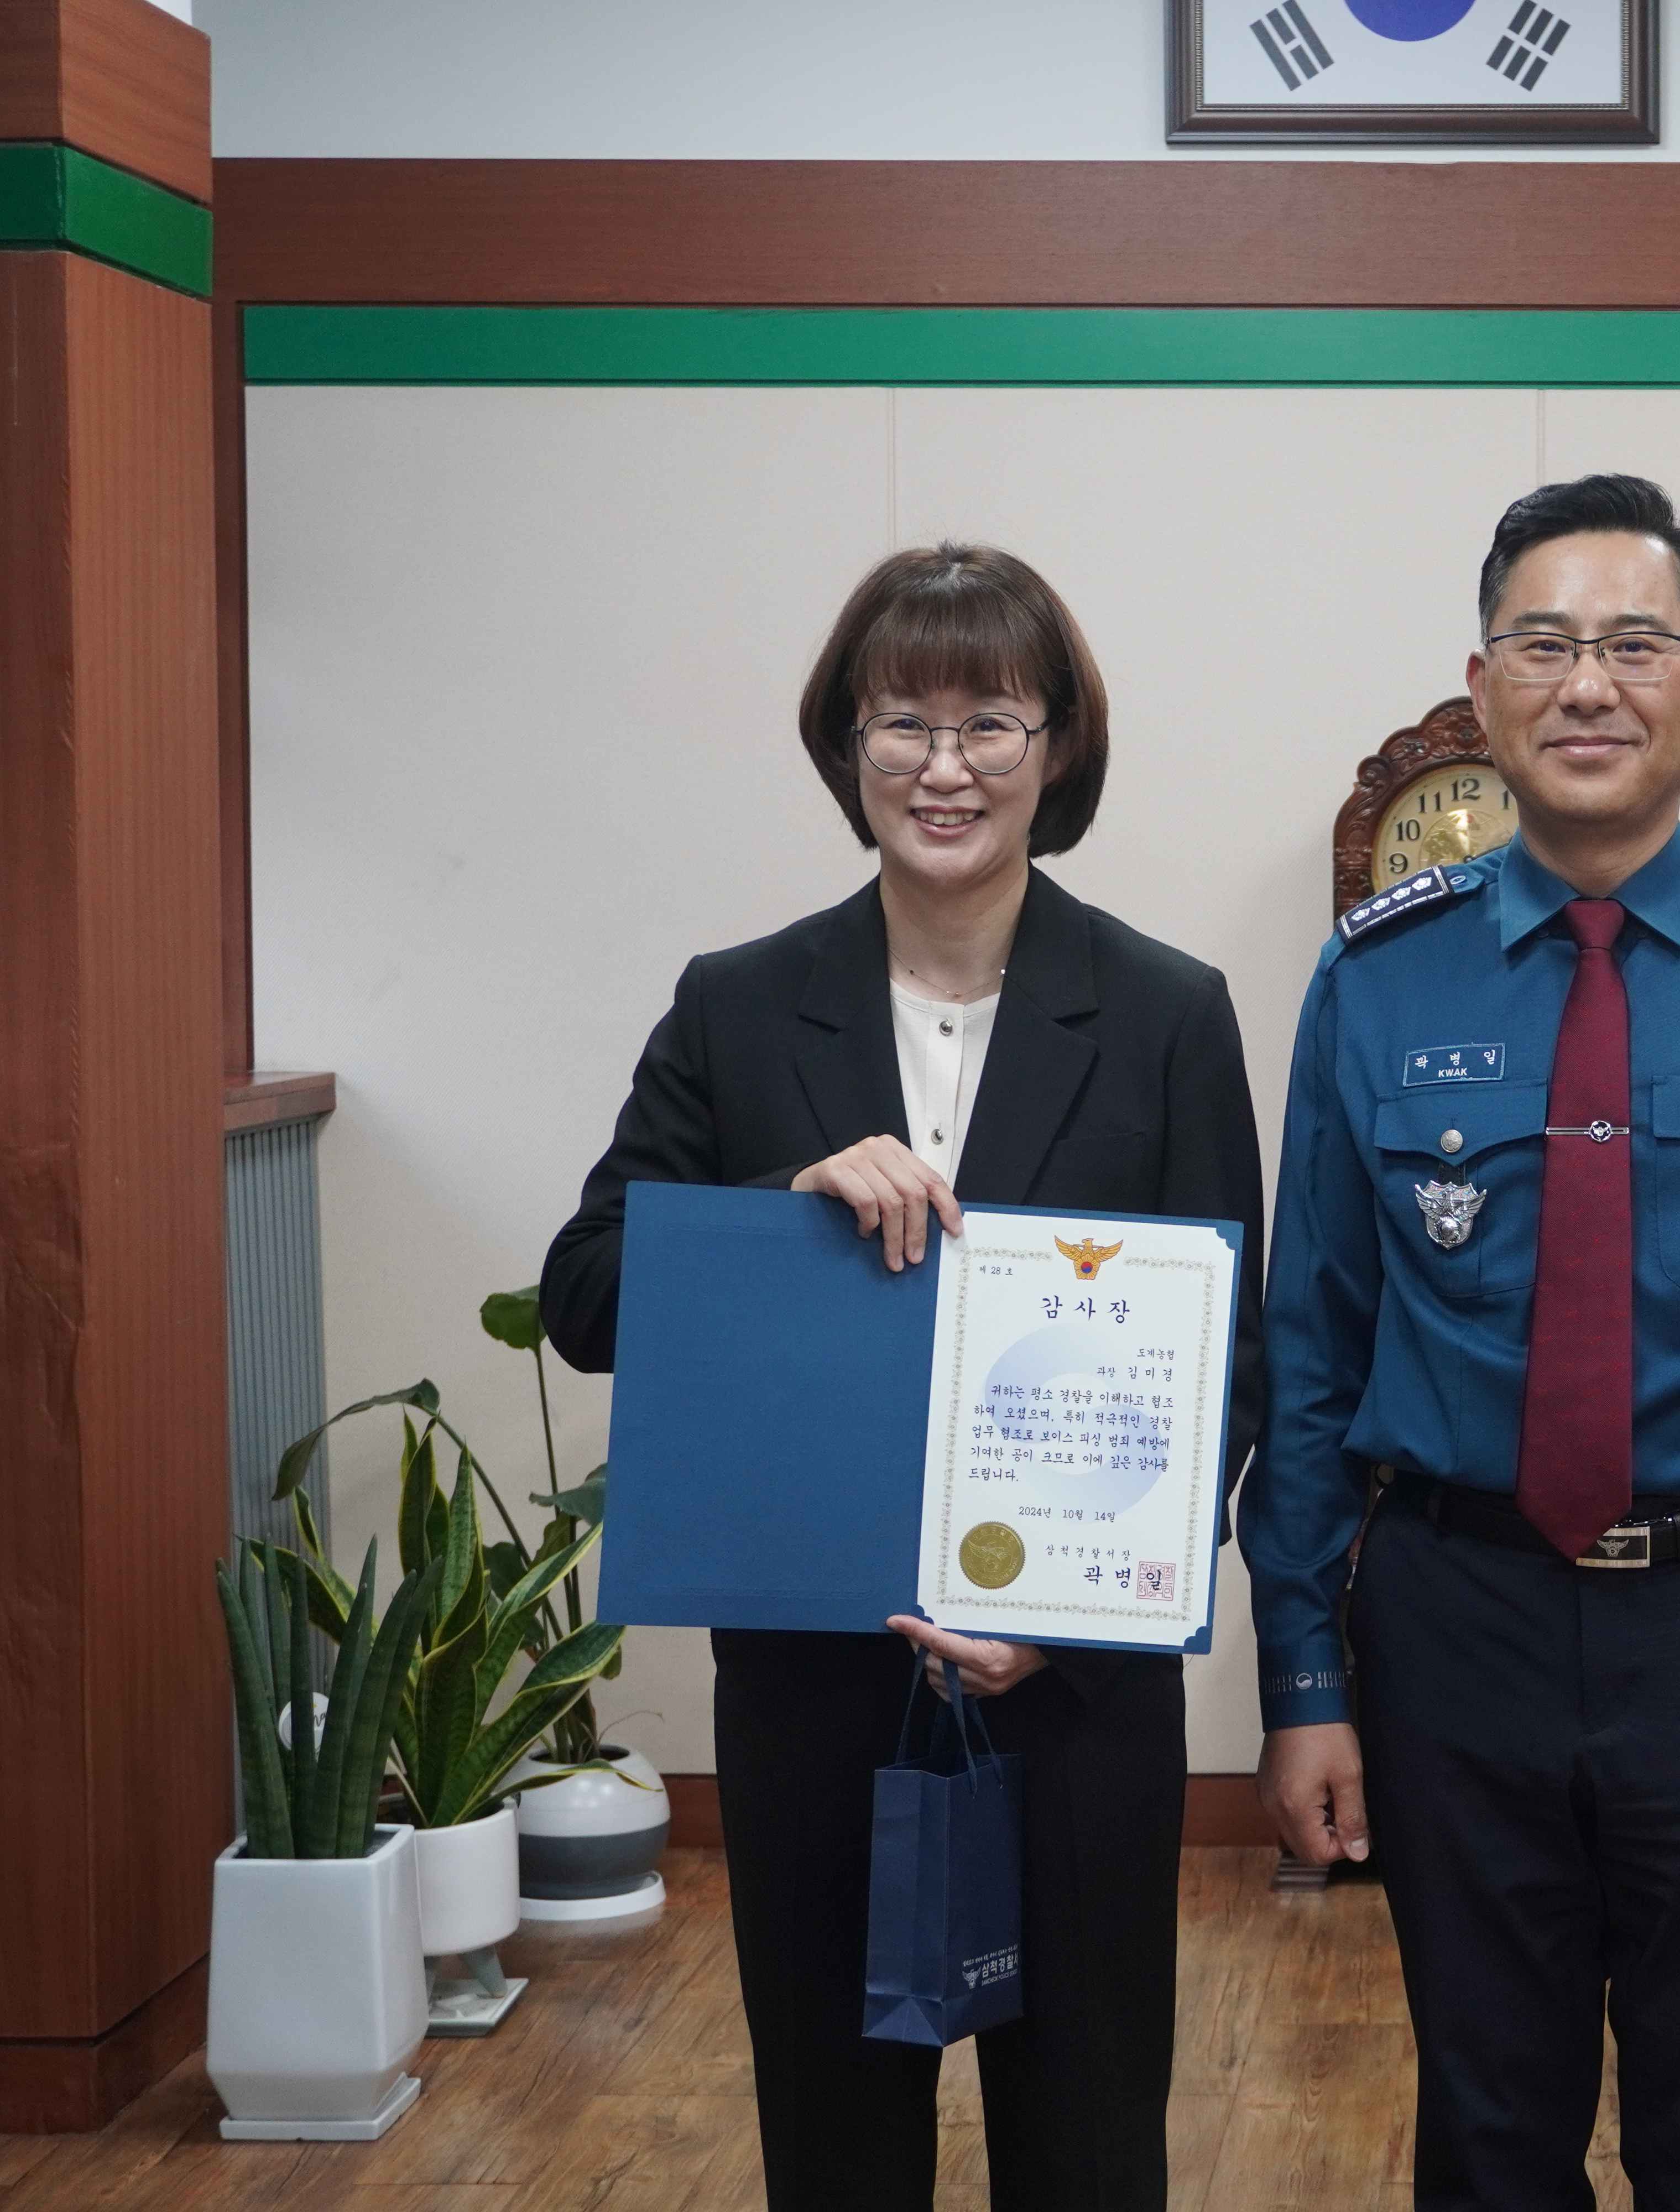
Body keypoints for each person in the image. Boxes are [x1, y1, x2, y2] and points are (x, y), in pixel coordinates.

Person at [1243, 473, 1680, 2211]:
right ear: (1482, 686)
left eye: (1637, 643)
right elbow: (1313, 1348)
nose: (1590, 685)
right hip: (1453, 1612)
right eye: (1545, 644)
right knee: (1490, 2136)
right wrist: (1304, 1681)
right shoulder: (1376, 975)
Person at [538, 542, 1265, 2211]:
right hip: (815, 1692)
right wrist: (772, 1218)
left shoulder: (1165, 1013)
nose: (945, 767)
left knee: (1088, 2150)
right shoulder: (737, 1009)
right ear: (844, 747)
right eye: (901, 724)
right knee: (836, 2154)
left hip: (1073, 1694)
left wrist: (1068, 1626)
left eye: (990, 722)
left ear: (1058, 746)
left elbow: (1230, 1362)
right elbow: (582, 1294)